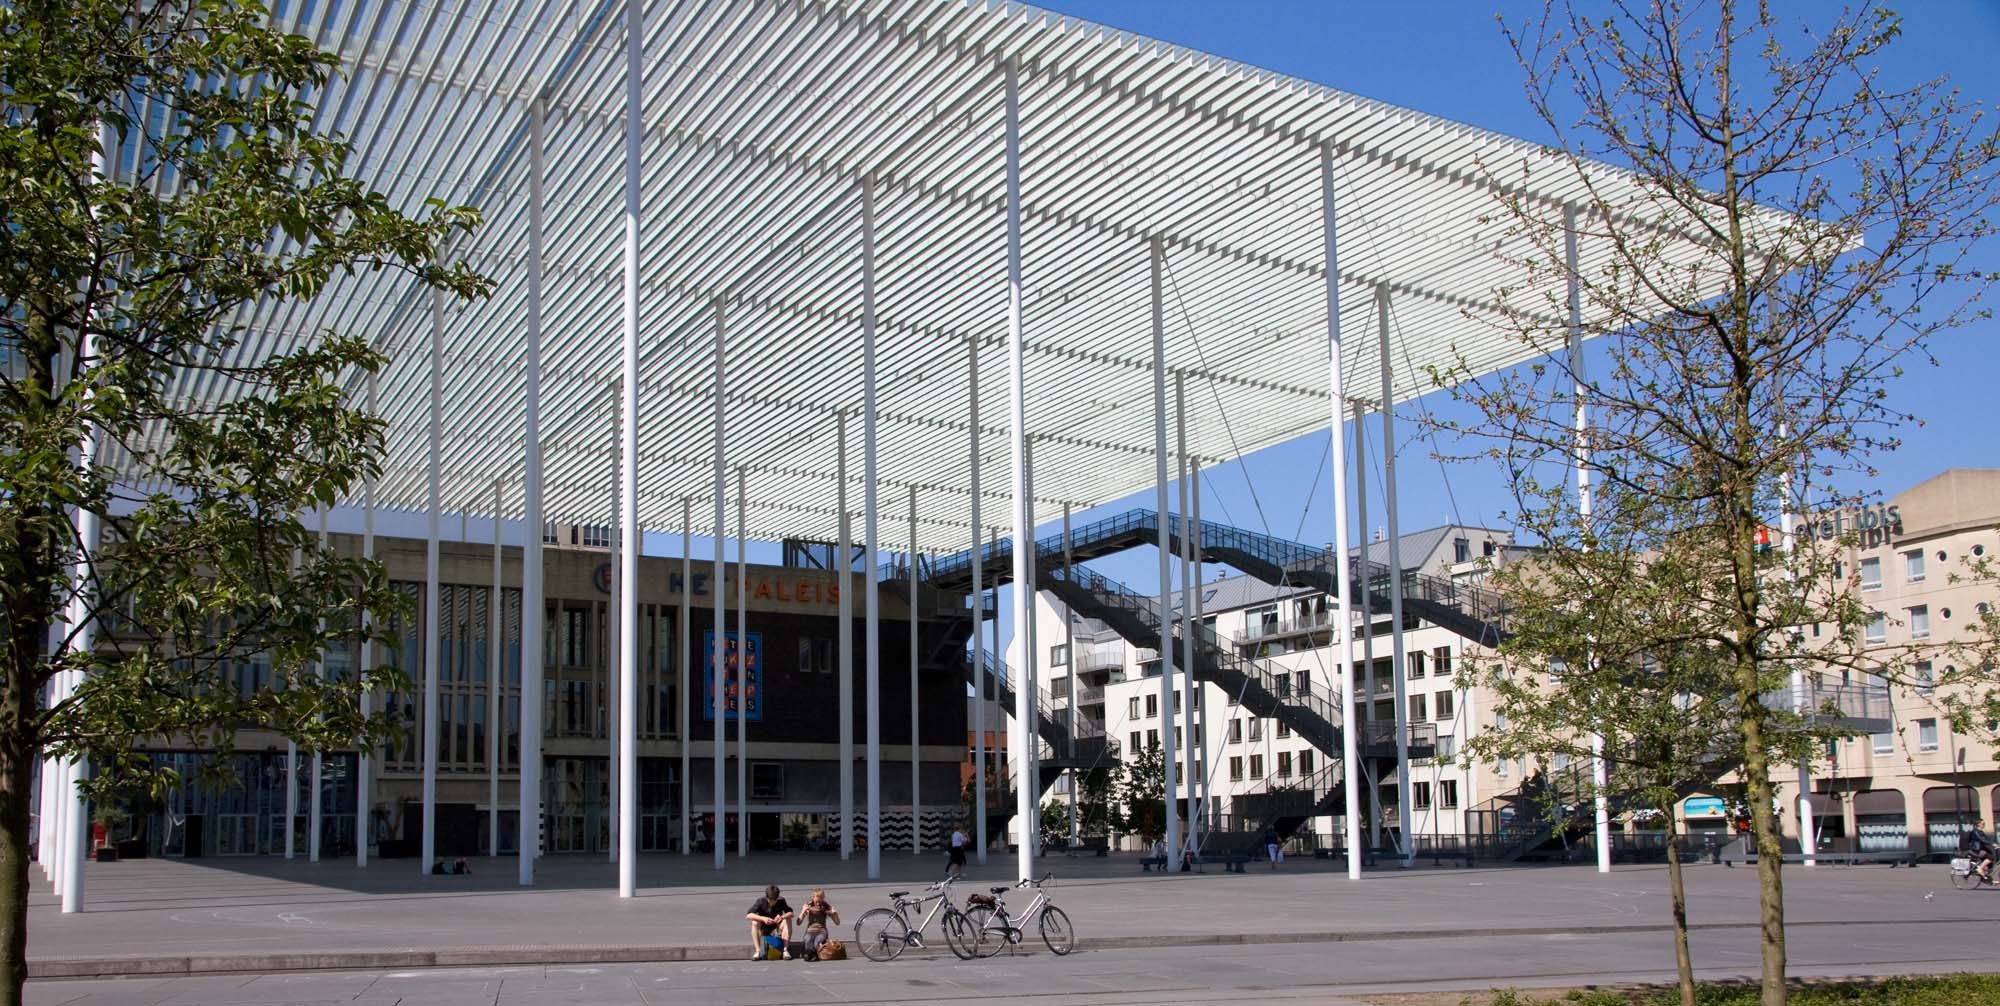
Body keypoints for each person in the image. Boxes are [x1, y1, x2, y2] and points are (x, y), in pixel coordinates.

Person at [746, 884, 794, 960]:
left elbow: (791, 913)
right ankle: (757, 951)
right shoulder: (760, 901)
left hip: (777, 926)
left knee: (788, 920)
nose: (772, 903)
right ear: (766, 897)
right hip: (764, 926)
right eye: (770, 901)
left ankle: (785, 950)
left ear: (777, 898)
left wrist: (782, 917)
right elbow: (749, 915)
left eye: (774, 901)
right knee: (754, 922)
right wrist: (763, 918)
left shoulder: (781, 901)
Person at [794, 888, 840, 959]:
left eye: (820, 900)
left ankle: (812, 954)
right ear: (813, 898)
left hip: (821, 931)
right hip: (810, 930)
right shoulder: (809, 905)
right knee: (807, 939)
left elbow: (837, 922)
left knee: (817, 941)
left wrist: (835, 914)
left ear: (823, 899)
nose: (818, 903)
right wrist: (803, 911)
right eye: (816, 901)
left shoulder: (825, 906)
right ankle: (810, 954)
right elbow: (798, 922)